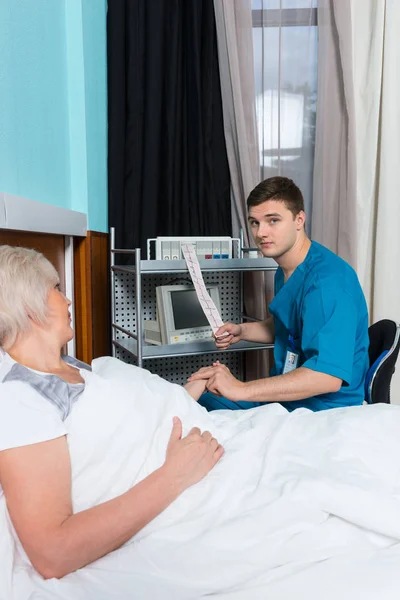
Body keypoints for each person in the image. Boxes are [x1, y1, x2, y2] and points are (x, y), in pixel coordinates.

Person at [0, 245, 223, 580]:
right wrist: (174, 475)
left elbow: (122, 413)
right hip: (187, 479)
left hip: (202, 437)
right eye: (58, 290)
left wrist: (185, 397)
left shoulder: (67, 366)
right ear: (33, 307)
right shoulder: (20, 397)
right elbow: (53, 553)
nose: (68, 300)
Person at [189, 176, 369, 412]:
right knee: (202, 388)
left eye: (273, 220)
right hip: (290, 398)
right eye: (254, 222)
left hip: (323, 406)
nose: (261, 232)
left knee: (203, 405)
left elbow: (327, 377)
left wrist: (241, 388)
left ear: (299, 220)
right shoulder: (286, 269)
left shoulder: (328, 283)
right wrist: (242, 331)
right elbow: (289, 326)